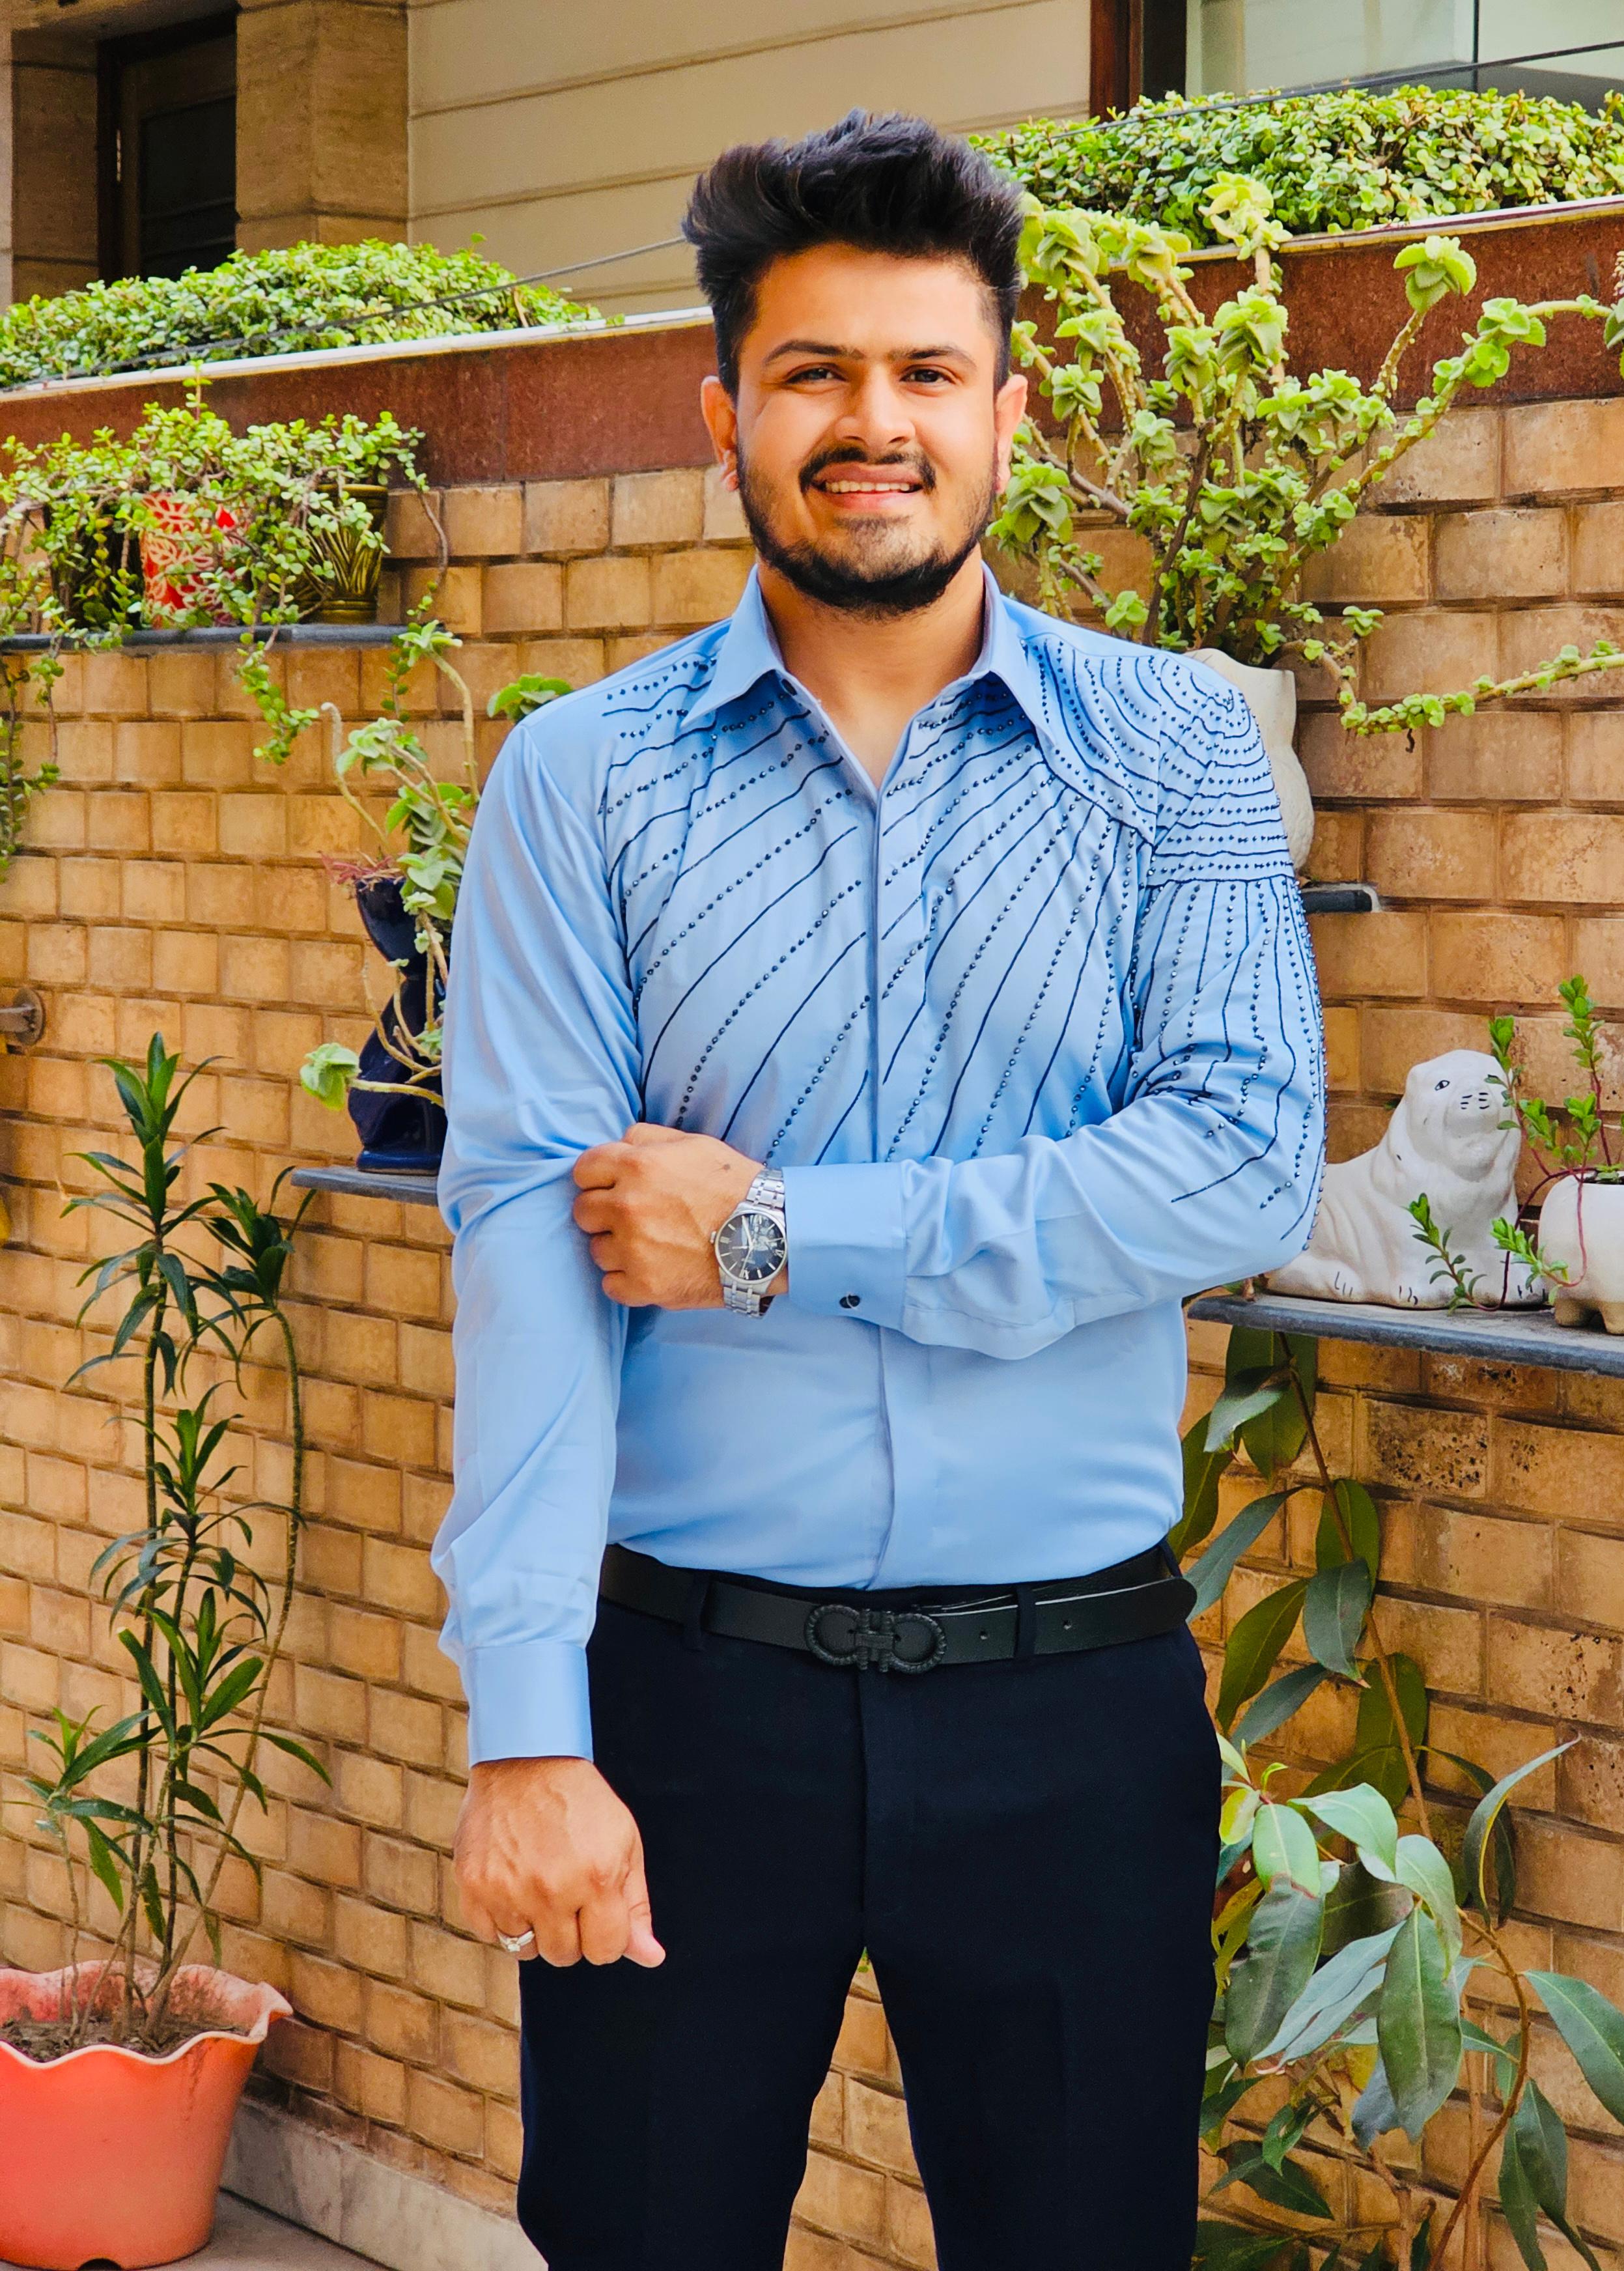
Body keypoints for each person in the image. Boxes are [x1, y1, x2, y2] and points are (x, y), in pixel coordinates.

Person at [432, 109, 1326, 2271]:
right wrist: (527, 1733)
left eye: (928, 373)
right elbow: (530, 1250)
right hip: (683, 1701)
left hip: (1071, 1699)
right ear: (727, 408)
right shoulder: (584, 779)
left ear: (1011, 411)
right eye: (819, 372)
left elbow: (1235, 1164)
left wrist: (772, 1236)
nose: (875, 425)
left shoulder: (1181, 753)